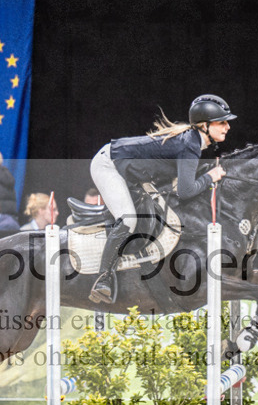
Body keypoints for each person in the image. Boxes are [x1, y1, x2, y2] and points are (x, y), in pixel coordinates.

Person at [87, 94, 233, 303]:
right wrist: (210, 176)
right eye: (222, 122)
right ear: (204, 125)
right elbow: (185, 191)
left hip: (128, 170)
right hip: (108, 165)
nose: (227, 127)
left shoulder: (192, 141)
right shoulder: (190, 145)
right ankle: (103, 279)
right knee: (128, 220)